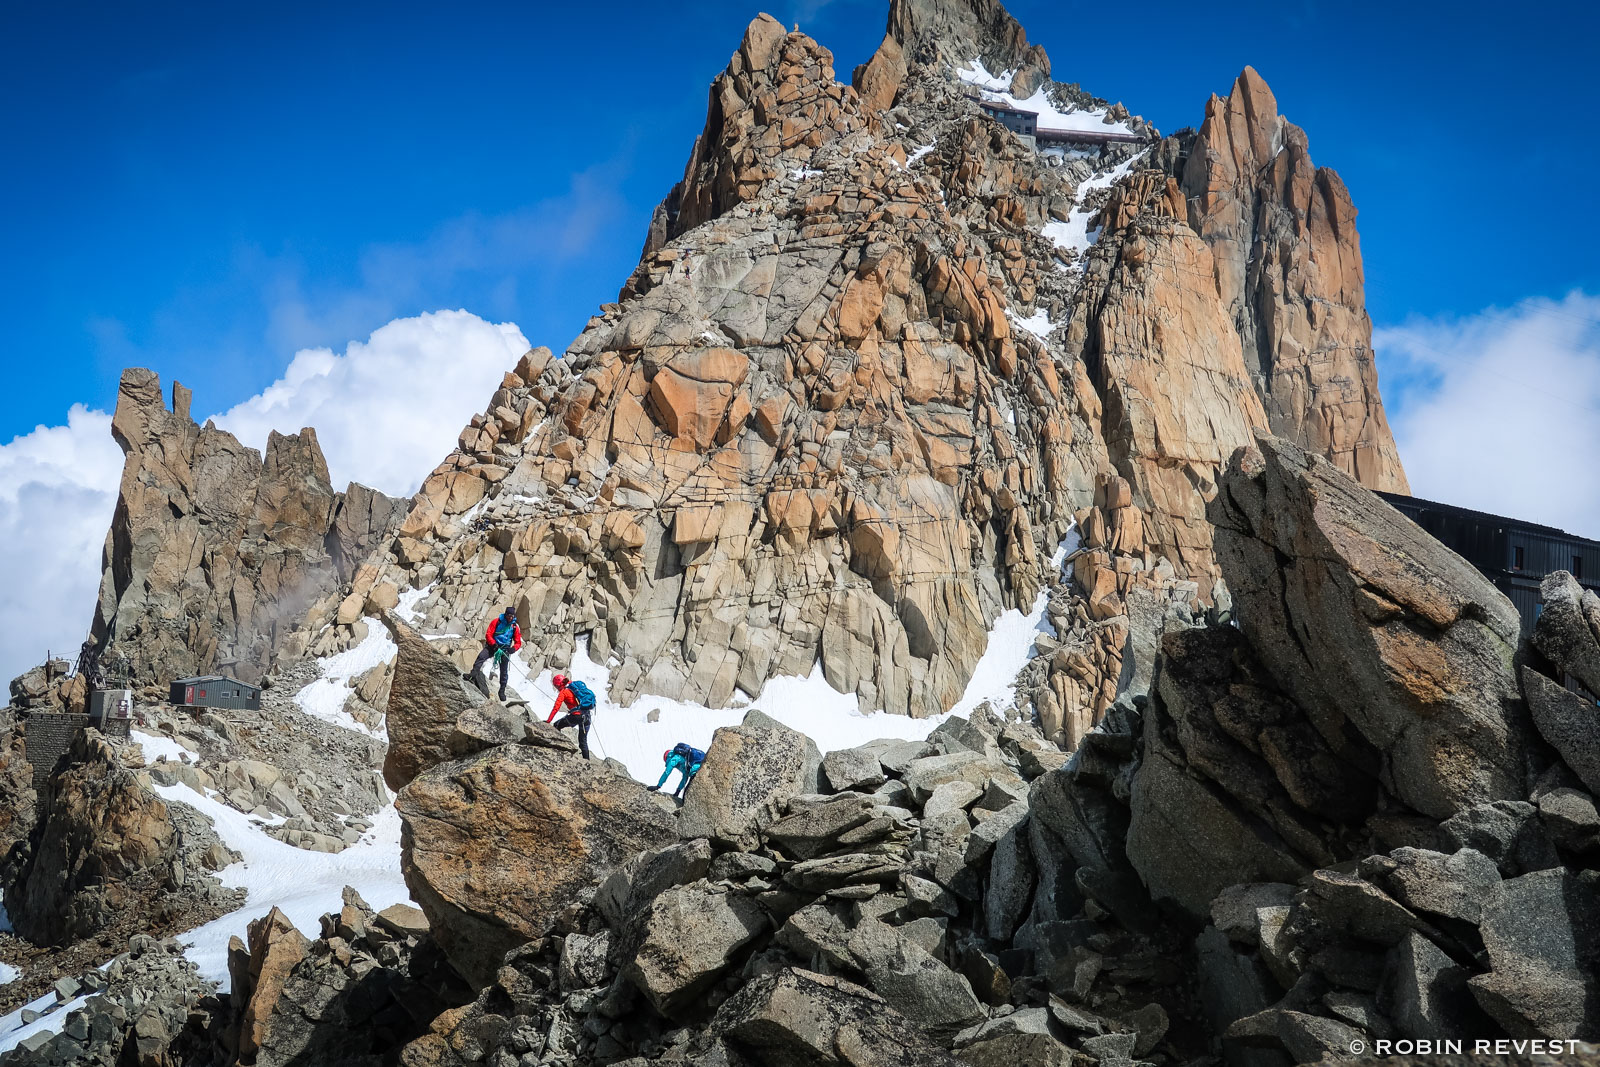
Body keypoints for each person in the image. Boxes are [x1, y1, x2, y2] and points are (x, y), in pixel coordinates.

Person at [468, 607, 521, 701]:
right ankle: (472, 675)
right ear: (506, 614)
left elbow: (518, 642)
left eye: (512, 616)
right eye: (509, 616)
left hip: (504, 650)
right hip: (493, 647)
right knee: (481, 657)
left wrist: (513, 649)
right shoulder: (497, 621)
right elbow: (488, 634)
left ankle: (502, 691)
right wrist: (493, 644)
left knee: (504, 671)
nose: (510, 618)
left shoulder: (514, 627)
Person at [546, 673, 597, 758]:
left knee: (557, 725)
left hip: (576, 716)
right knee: (583, 741)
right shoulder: (574, 686)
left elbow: (556, 708)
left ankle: (557, 747)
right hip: (587, 715)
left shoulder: (564, 692)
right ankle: (587, 762)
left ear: (558, 685)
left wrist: (548, 721)